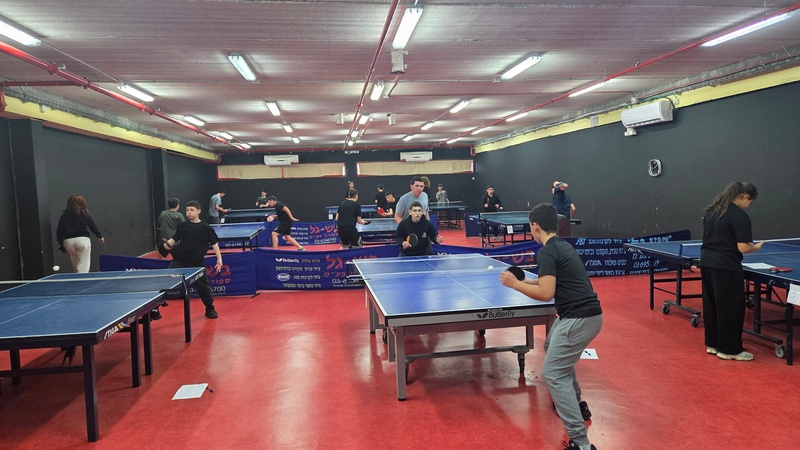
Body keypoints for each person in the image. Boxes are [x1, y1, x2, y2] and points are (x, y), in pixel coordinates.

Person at [499, 203, 602, 450]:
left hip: (578, 319)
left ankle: (581, 443)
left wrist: (514, 285)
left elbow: (546, 293)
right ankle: (577, 405)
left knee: (553, 373)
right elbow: (549, 282)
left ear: (534, 226)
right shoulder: (562, 245)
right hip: (589, 315)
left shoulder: (546, 252)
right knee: (550, 344)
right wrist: (526, 280)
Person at [699, 182, 762, 361]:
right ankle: (729, 349)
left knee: (712, 305)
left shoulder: (712, 211)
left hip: (706, 262)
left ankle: (713, 344)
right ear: (744, 197)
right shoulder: (740, 216)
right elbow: (743, 248)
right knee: (731, 308)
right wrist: (756, 247)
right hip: (726, 265)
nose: (748, 206)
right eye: (750, 202)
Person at [162, 200, 222, 319]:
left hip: (197, 262)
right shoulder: (182, 226)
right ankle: (155, 308)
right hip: (180, 260)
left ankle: (209, 308)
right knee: (165, 280)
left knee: (204, 288)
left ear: (199, 211)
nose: (189, 212)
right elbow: (174, 239)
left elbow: (215, 244)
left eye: (191, 210)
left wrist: (219, 259)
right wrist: (167, 244)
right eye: (187, 210)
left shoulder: (206, 228)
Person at [56, 194, 105, 273]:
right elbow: (92, 225)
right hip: (82, 241)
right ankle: (82, 279)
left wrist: (60, 244)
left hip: (68, 242)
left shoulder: (63, 216)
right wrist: (99, 236)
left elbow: (59, 231)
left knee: (76, 265)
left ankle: (77, 278)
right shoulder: (85, 213)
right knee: (83, 265)